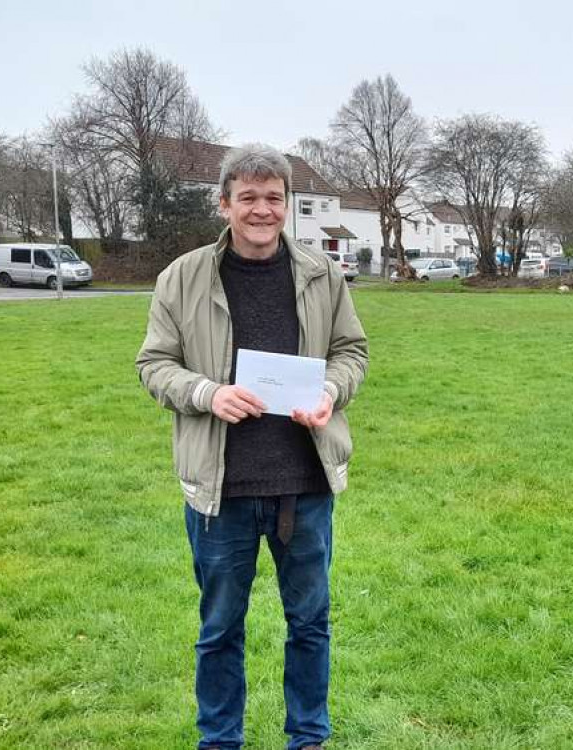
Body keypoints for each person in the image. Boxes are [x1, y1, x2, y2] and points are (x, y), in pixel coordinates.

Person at [136, 143, 369, 750]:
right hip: (221, 491)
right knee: (219, 630)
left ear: (287, 204)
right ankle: (218, 742)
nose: (262, 210)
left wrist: (330, 391)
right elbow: (154, 365)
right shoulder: (183, 277)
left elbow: (352, 352)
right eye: (248, 198)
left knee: (310, 625)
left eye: (273, 198)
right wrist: (207, 394)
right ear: (224, 204)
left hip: (305, 485)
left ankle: (309, 738)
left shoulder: (323, 274)